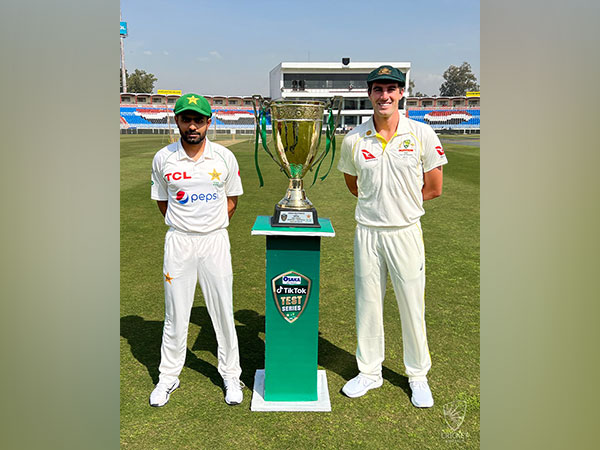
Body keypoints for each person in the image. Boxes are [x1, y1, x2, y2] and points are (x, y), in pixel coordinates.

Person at [337, 66, 448, 407]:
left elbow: (434, 188)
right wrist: (379, 206)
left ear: (401, 92)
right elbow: (354, 185)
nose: (384, 95)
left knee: (412, 306)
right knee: (368, 304)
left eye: (391, 89)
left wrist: (400, 206)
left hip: (405, 232)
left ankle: (417, 375)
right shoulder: (354, 139)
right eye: (378, 89)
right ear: (369, 94)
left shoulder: (422, 134)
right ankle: (369, 371)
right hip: (368, 232)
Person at [149, 93, 244, 407]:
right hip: (179, 242)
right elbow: (164, 202)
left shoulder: (223, 158)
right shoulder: (164, 158)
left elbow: (232, 201)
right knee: (175, 312)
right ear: (176, 120)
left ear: (208, 123)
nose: (192, 126)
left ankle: (230, 373)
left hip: (214, 241)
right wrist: (186, 225)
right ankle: (168, 376)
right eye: (186, 119)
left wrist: (208, 226)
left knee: (222, 310)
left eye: (199, 120)